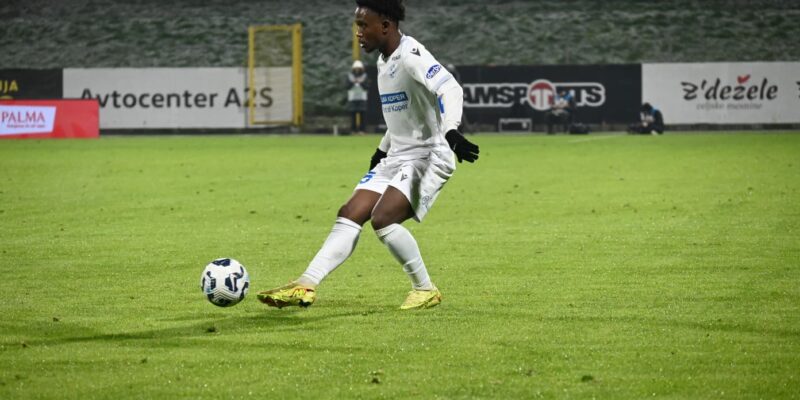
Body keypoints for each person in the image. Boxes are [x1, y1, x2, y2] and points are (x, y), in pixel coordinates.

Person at [257, 0, 479, 310]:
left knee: (383, 218)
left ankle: (425, 289)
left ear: (385, 26)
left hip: (429, 156)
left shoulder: (411, 55)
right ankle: (306, 283)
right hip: (398, 155)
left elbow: (450, 88)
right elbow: (403, 115)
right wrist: (381, 150)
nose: (358, 32)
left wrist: (452, 130)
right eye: (357, 25)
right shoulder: (384, 61)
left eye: (363, 25)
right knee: (351, 211)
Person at [346, 60, 370, 134]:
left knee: (363, 115)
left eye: (358, 68)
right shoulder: (350, 76)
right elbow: (347, 87)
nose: (357, 70)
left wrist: (361, 83)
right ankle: (353, 130)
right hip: (352, 98)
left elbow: (367, 87)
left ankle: (362, 130)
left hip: (362, 98)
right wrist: (353, 82)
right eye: (356, 68)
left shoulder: (364, 76)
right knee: (353, 115)